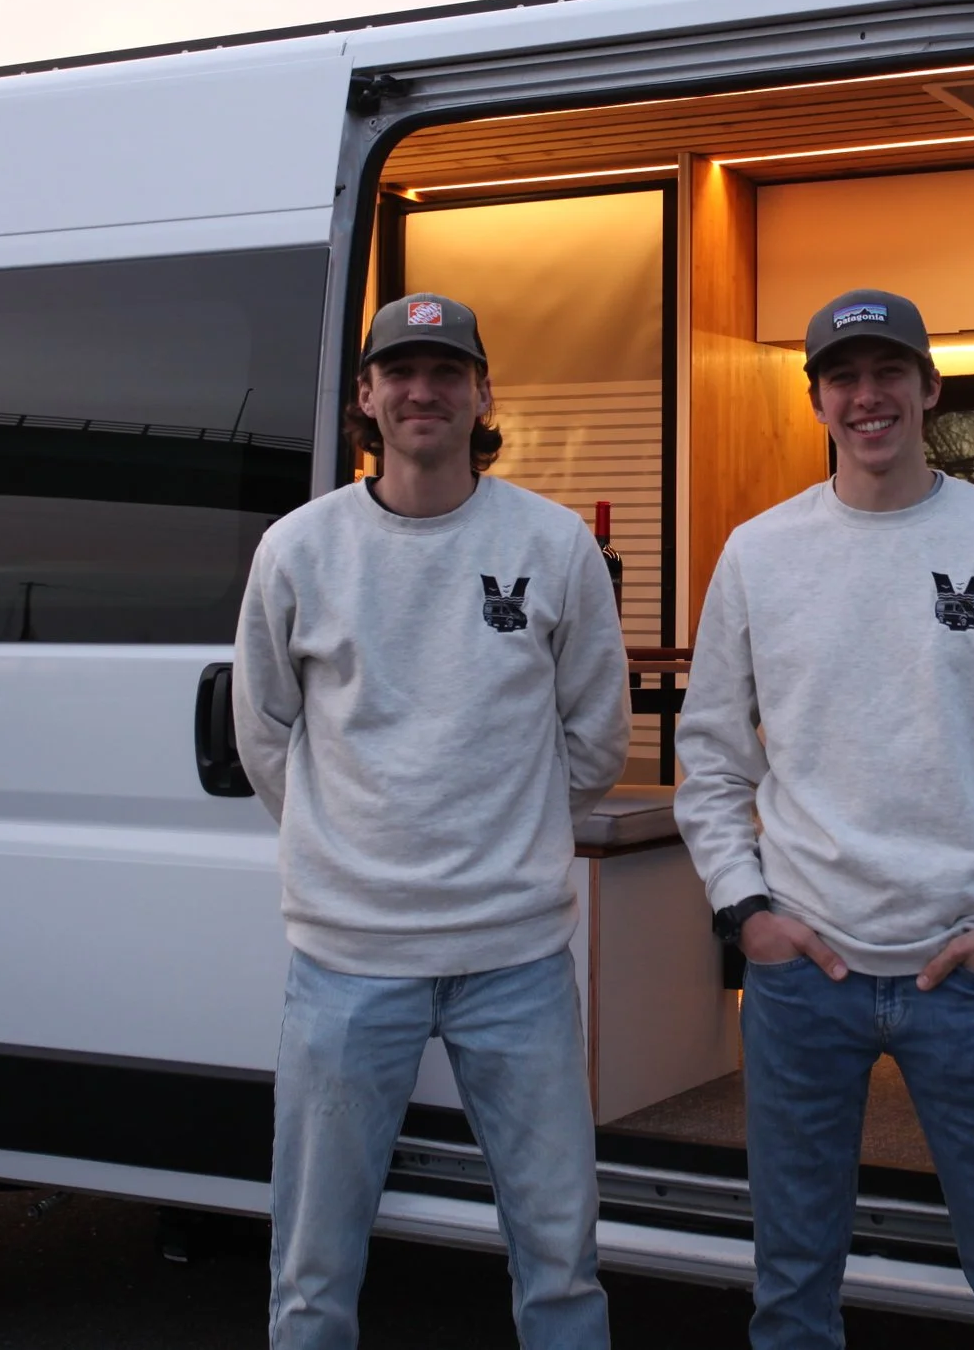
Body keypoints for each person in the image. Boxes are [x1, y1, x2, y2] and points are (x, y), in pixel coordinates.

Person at [674, 287, 974, 1350]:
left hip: (968, 974)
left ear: (929, 387)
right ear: (817, 398)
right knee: (791, 1281)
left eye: (888, 373)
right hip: (803, 975)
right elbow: (710, 758)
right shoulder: (759, 553)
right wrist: (748, 913)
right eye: (843, 376)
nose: (866, 396)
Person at [234, 292, 630, 1350]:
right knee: (313, 1272)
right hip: (348, 959)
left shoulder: (552, 544)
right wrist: (349, 845)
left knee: (560, 1262)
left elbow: (596, 736)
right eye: (400, 372)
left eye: (447, 371)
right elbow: (265, 733)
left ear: (482, 392)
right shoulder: (298, 549)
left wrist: (509, 834)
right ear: (365, 394)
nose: (423, 390)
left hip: (517, 957)